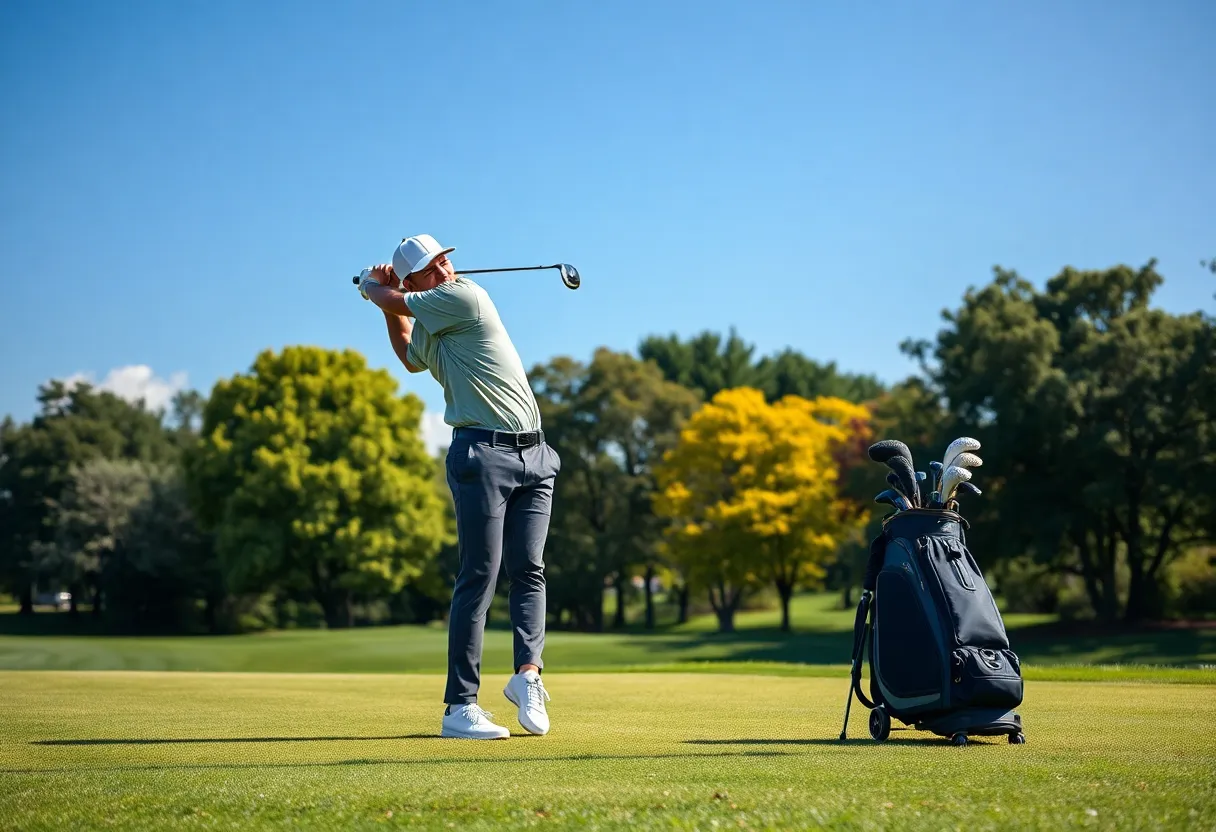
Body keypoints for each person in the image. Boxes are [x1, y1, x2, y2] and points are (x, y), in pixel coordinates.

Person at [357, 233, 560, 740]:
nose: (446, 270)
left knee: (529, 570)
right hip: (481, 454)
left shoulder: (465, 296)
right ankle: (459, 707)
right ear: (415, 280)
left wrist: (371, 287)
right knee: (480, 576)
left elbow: (394, 300)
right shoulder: (436, 323)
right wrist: (386, 302)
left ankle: (526, 677)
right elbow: (408, 352)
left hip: (535, 454)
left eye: (445, 259)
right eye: (432, 267)